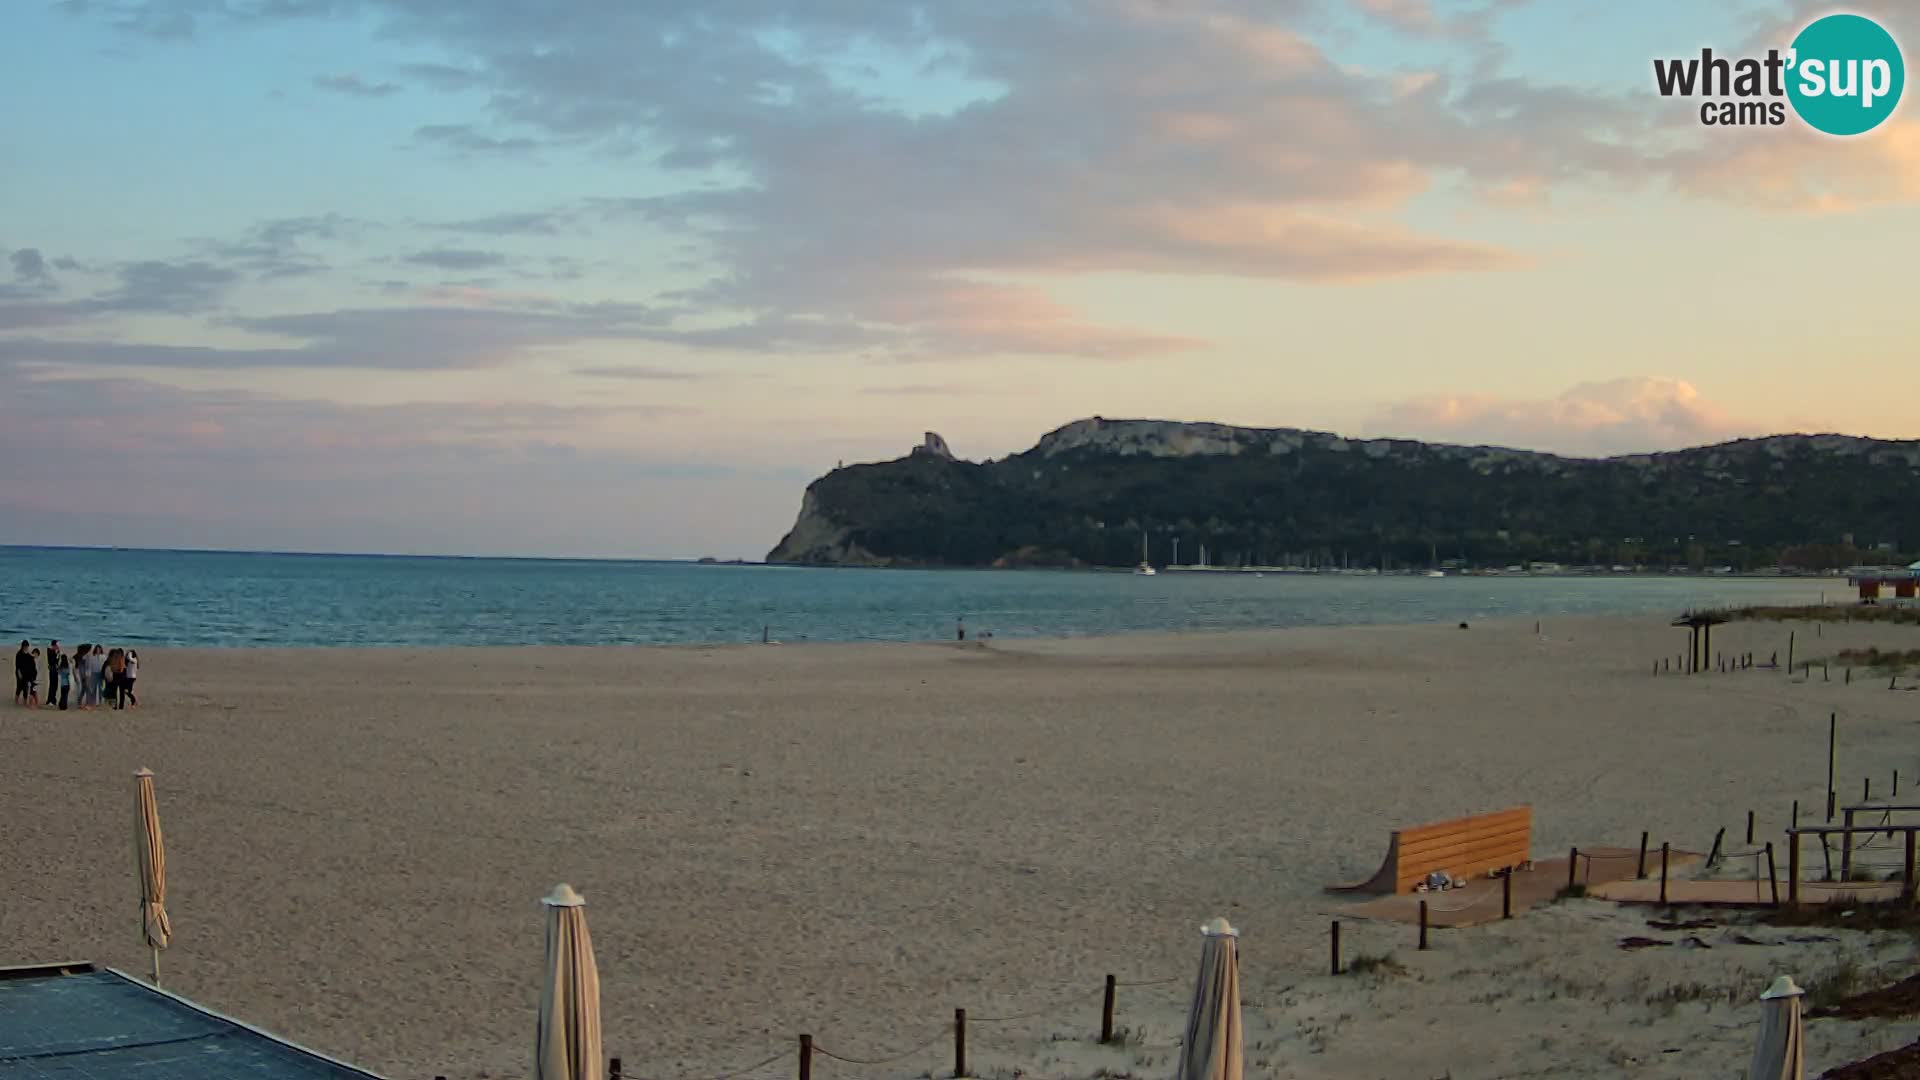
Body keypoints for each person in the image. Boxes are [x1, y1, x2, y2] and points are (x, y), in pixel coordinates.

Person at [13, 641, 31, 706]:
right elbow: (17, 666)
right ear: (22, 646)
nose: (26, 648)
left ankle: (25, 701)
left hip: (26, 673)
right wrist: (19, 674)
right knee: (19, 686)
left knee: (26, 687)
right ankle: (16, 699)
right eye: (25, 647)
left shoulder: (28, 654)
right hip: (19, 672)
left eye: (27, 647)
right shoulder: (19, 654)